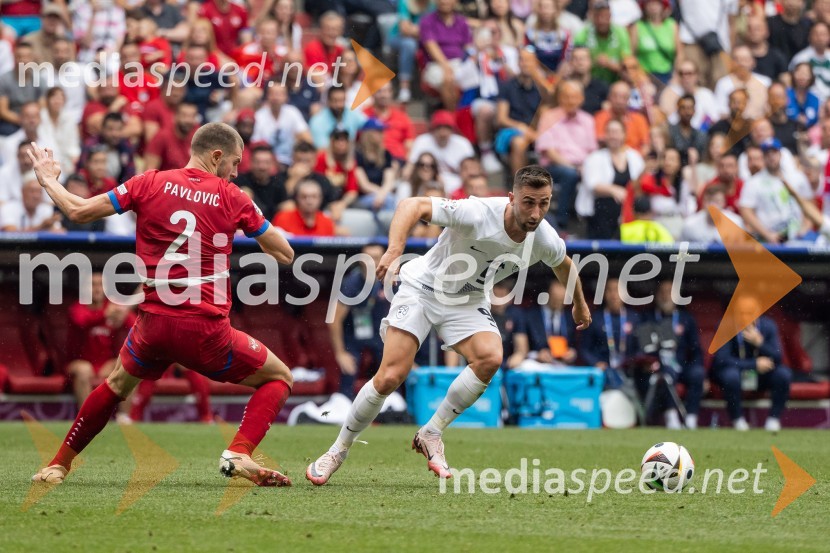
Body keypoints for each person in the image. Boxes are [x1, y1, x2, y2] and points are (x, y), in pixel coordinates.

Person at [28, 122, 296, 487]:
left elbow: (77, 212)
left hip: (153, 325)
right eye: (234, 162)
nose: (235, 172)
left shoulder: (148, 182)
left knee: (115, 386)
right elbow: (285, 253)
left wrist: (48, 180)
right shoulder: (233, 196)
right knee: (280, 377)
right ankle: (239, 451)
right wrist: (253, 221)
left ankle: (58, 465)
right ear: (216, 156)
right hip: (206, 329)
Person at [306, 165, 592, 485]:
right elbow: (410, 205)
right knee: (390, 376)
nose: (536, 212)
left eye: (544, 203)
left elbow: (564, 264)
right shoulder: (477, 212)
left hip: (467, 302)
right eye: (528, 202)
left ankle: (431, 433)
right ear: (512, 198)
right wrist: (395, 249)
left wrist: (579, 304)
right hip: (422, 290)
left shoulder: (544, 237)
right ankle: (337, 450)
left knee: (490, 358)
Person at [712, 295, 792, 432]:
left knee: (783, 374)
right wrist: (754, 364)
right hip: (736, 374)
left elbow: (778, 357)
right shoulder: (725, 325)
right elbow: (721, 359)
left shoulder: (768, 326)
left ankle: (773, 419)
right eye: (741, 312)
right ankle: (737, 420)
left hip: (761, 375)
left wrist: (760, 343)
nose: (745, 317)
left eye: (749, 313)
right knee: (730, 375)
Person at [636, 280, 705, 430]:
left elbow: (696, 350)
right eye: (663, 292)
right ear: (656, 295)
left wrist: (698, 368)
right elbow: (643, 348)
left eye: (670, 292)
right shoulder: (647, 318)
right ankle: (671, 415)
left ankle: (691, 417)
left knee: (698, 374)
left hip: (682, 365)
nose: (666, 296)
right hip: (660, 366)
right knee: (666, 373)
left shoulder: (686, 319)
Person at [65, 273, 135, 418]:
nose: (97, 289)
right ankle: (87, 419)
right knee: (84, 370)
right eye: (92, 285)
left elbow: (136, 325)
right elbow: (81, 321)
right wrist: (105, 313)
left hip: (105, 364)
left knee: (132, 364)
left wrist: (122, 313)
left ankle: (125, 418)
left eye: (100, 285)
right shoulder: (77, 308)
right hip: (79, 362)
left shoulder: (112, 309)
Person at [535, 79, 597, 230]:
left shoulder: (588, 120)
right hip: (555, 166)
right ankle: (562, 222)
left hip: (582, 166)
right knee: (570, 174)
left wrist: (584, 167)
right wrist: (574, 167)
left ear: (581, 99)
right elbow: (548, 151)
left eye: (575, 97)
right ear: (560, 98)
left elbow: (592, 152)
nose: (571, 100)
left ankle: (593, 224)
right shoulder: (549, 117)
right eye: (567, 96)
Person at [328, 243, 388, 397]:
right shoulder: (351, 283)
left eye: (375, 258)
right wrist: (340, 353)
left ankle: (396, 408)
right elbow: (333, 319)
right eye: (367, 258)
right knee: (348, 369)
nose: (371, 262)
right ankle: (345, 405)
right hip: (353, 334)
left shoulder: (392, 280)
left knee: (392, 372)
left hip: (380, 333)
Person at [578, 119, 645, 239]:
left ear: (624, 134)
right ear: (605, 135)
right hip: (602, 211)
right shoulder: (594, 157)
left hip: (630, 210)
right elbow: (592, 184)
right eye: (610, 132)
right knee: (606, 206)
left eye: (617, 132)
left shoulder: (635, 157)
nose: (613, 136)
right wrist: (614, 190)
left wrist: (628, 194)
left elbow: (641, 182)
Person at [738, 137, 809, 244]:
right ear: (763, 157)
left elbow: (809, 203)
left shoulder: (797, 177)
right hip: (769, 240)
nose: (771, 157)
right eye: (767, 154)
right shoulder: (753, 182)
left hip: (796, 237)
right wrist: (767, 234)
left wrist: (805, 228)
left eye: (774, 152)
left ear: (780, 154)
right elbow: (746, 211)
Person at [496, 48, 550, 175]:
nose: (525, 64)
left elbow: (547, 113)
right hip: (513, 130)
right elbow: (501, 119)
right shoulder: (507, 86)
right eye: (522, 60)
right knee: (519, 142)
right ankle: (519, 186)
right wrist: (522, 127)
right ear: (518, 63)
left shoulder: (542, 87)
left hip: (536, 130)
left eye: (529, 60)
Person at [405, 110, 476, 194]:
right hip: (426, 182)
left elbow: (473, 170)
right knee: (404, 187)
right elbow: (409, 168)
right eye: (439, 127)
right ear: (432, 129)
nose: (443, 132)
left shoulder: (462, 144)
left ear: (452, 129)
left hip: (455, 184)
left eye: (446, 127)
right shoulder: (422, 141)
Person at [419, 0, 473, 110]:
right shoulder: (427, 21)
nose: (444, 1)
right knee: (447, 79)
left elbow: (468, 47)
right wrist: (446, 67)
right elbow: (431, 46)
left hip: (459, 63)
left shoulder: (462, 22)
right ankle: (453, 117)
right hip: (436, 64)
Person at [573, 0, 631, 84]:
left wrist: (609, 64)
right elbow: (574, 63)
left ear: (610, 17)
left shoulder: (620, 33)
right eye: (598, 16)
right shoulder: (582, 34)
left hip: (615, 82)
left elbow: (628, 64)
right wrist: (593, 63)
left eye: (605, 17)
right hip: (588, 83)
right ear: (592, 17)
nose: (601, 21)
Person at [387, 0, 433, 103]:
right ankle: (404, 89)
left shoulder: (433, 4)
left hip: (424, 40)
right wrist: (427, 31)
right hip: (399, 38)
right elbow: (405, 29)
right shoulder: (405, 2)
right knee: (409, 44)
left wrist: (419, 30)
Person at [658, 60, 720, 131]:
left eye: (689, 73)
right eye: (682, 74)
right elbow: (665, 120)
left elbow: (714, 119)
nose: (685, 77)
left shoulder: (706, 94)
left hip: (701, 135)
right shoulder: (672, 94)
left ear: (697, 75)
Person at [629, 0, 680, 85]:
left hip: (668, 75)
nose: (653, 7)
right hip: (644, 75)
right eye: (649, 4)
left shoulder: (672, 25)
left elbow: (680, 54)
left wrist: (676, 76)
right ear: (644, 7)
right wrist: (638, 76)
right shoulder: (637, 26)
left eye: (656, 3)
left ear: (663, 6)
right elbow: (631, 54)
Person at [594, 81, 651, 154]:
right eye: (615, 96)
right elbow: (599, 142)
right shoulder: (600, 117)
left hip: (635, 160)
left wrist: (634, 160)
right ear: (609, 97)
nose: (619, 101)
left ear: (629, 99)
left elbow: (645, 146)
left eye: (623, 97)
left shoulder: (639, 119)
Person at [234, 144, 286, 222]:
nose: (262, 167)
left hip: (272, 225)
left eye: (266, 162)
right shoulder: (239, 180)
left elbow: (287, 205)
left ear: (272, 164)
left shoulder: (278, 183)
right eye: (258, 162)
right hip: (246, 225)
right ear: (251, 163)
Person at [144, 103, 201, 172]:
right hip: (166, 181)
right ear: (175, 117)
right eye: (184, 116)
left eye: (192, 116)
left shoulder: (199, 137)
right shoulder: (162, 137)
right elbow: (149, 171)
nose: (188, 120)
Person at [272, 178, 337, 236]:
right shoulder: (282, 219)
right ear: (296, 198)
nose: (309, 201)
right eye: (304, 197)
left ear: (321, 199)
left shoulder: (327, 222)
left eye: (314, 196)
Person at [309, 85, 367, 149]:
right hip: (328, 156)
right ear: (328, 101)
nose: (339, 105)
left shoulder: (352, 114)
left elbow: (368, 124)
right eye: (335, 101)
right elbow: (321, 148)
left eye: (342, 100)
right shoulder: (317, 121)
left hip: (351, 154)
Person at [787, 63, 821, 129]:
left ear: (811, 76)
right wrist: (797, 117)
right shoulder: (785, 94)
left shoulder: (815, 99)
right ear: (793, 74)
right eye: (799, 72)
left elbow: (816, 119)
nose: (802, 77)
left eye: (806, 73)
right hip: (787, 130)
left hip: (809, 133)